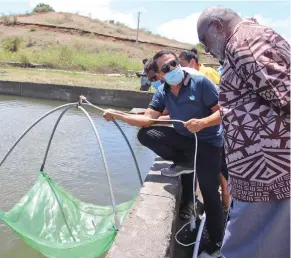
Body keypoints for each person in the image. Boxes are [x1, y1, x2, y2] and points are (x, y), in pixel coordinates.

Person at [103, 50, 224, 256]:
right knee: (147, 134)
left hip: (208, 143)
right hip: (185, 140)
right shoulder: (163, 92)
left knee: (210, 193)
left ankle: (215, 242)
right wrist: (120, 116)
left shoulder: (200, 82)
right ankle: (185, 161)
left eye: (174, 63)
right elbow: (148, 119)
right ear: (160, 75)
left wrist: (203, 123)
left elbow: (223, 111)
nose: (173, 68)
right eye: (166, 68)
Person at [197, 6, 290, 258]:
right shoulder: (252, 37)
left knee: (248, 245)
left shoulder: (242, 43)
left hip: (266, 169)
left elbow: (285, 95)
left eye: (204, 40)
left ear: (217, 26)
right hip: (263, 166)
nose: (206, 49)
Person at [179, 50, 230, 212]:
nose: (179, 68)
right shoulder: (185, 82)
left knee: (222, 172)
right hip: (207, 131)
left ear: (192, 62)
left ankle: (226, 206)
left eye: (181, 64)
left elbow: (220, 102)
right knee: (210, 173)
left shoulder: (204, 76)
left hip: (218, 129)